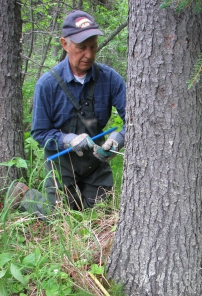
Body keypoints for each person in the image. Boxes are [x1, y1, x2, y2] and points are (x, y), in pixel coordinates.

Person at [9, 10, 126, 220]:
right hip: (61, 162)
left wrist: (119, 139)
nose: (88, 55)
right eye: (81, 48)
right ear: (65, 44)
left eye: (93, 47)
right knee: (60, 216)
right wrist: (68, 140)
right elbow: (40, 133)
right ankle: (24, 194)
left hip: (95, 159)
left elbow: (135, 122)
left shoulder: (111, 79)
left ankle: (80, 197)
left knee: (99, 216)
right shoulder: (47, 85)